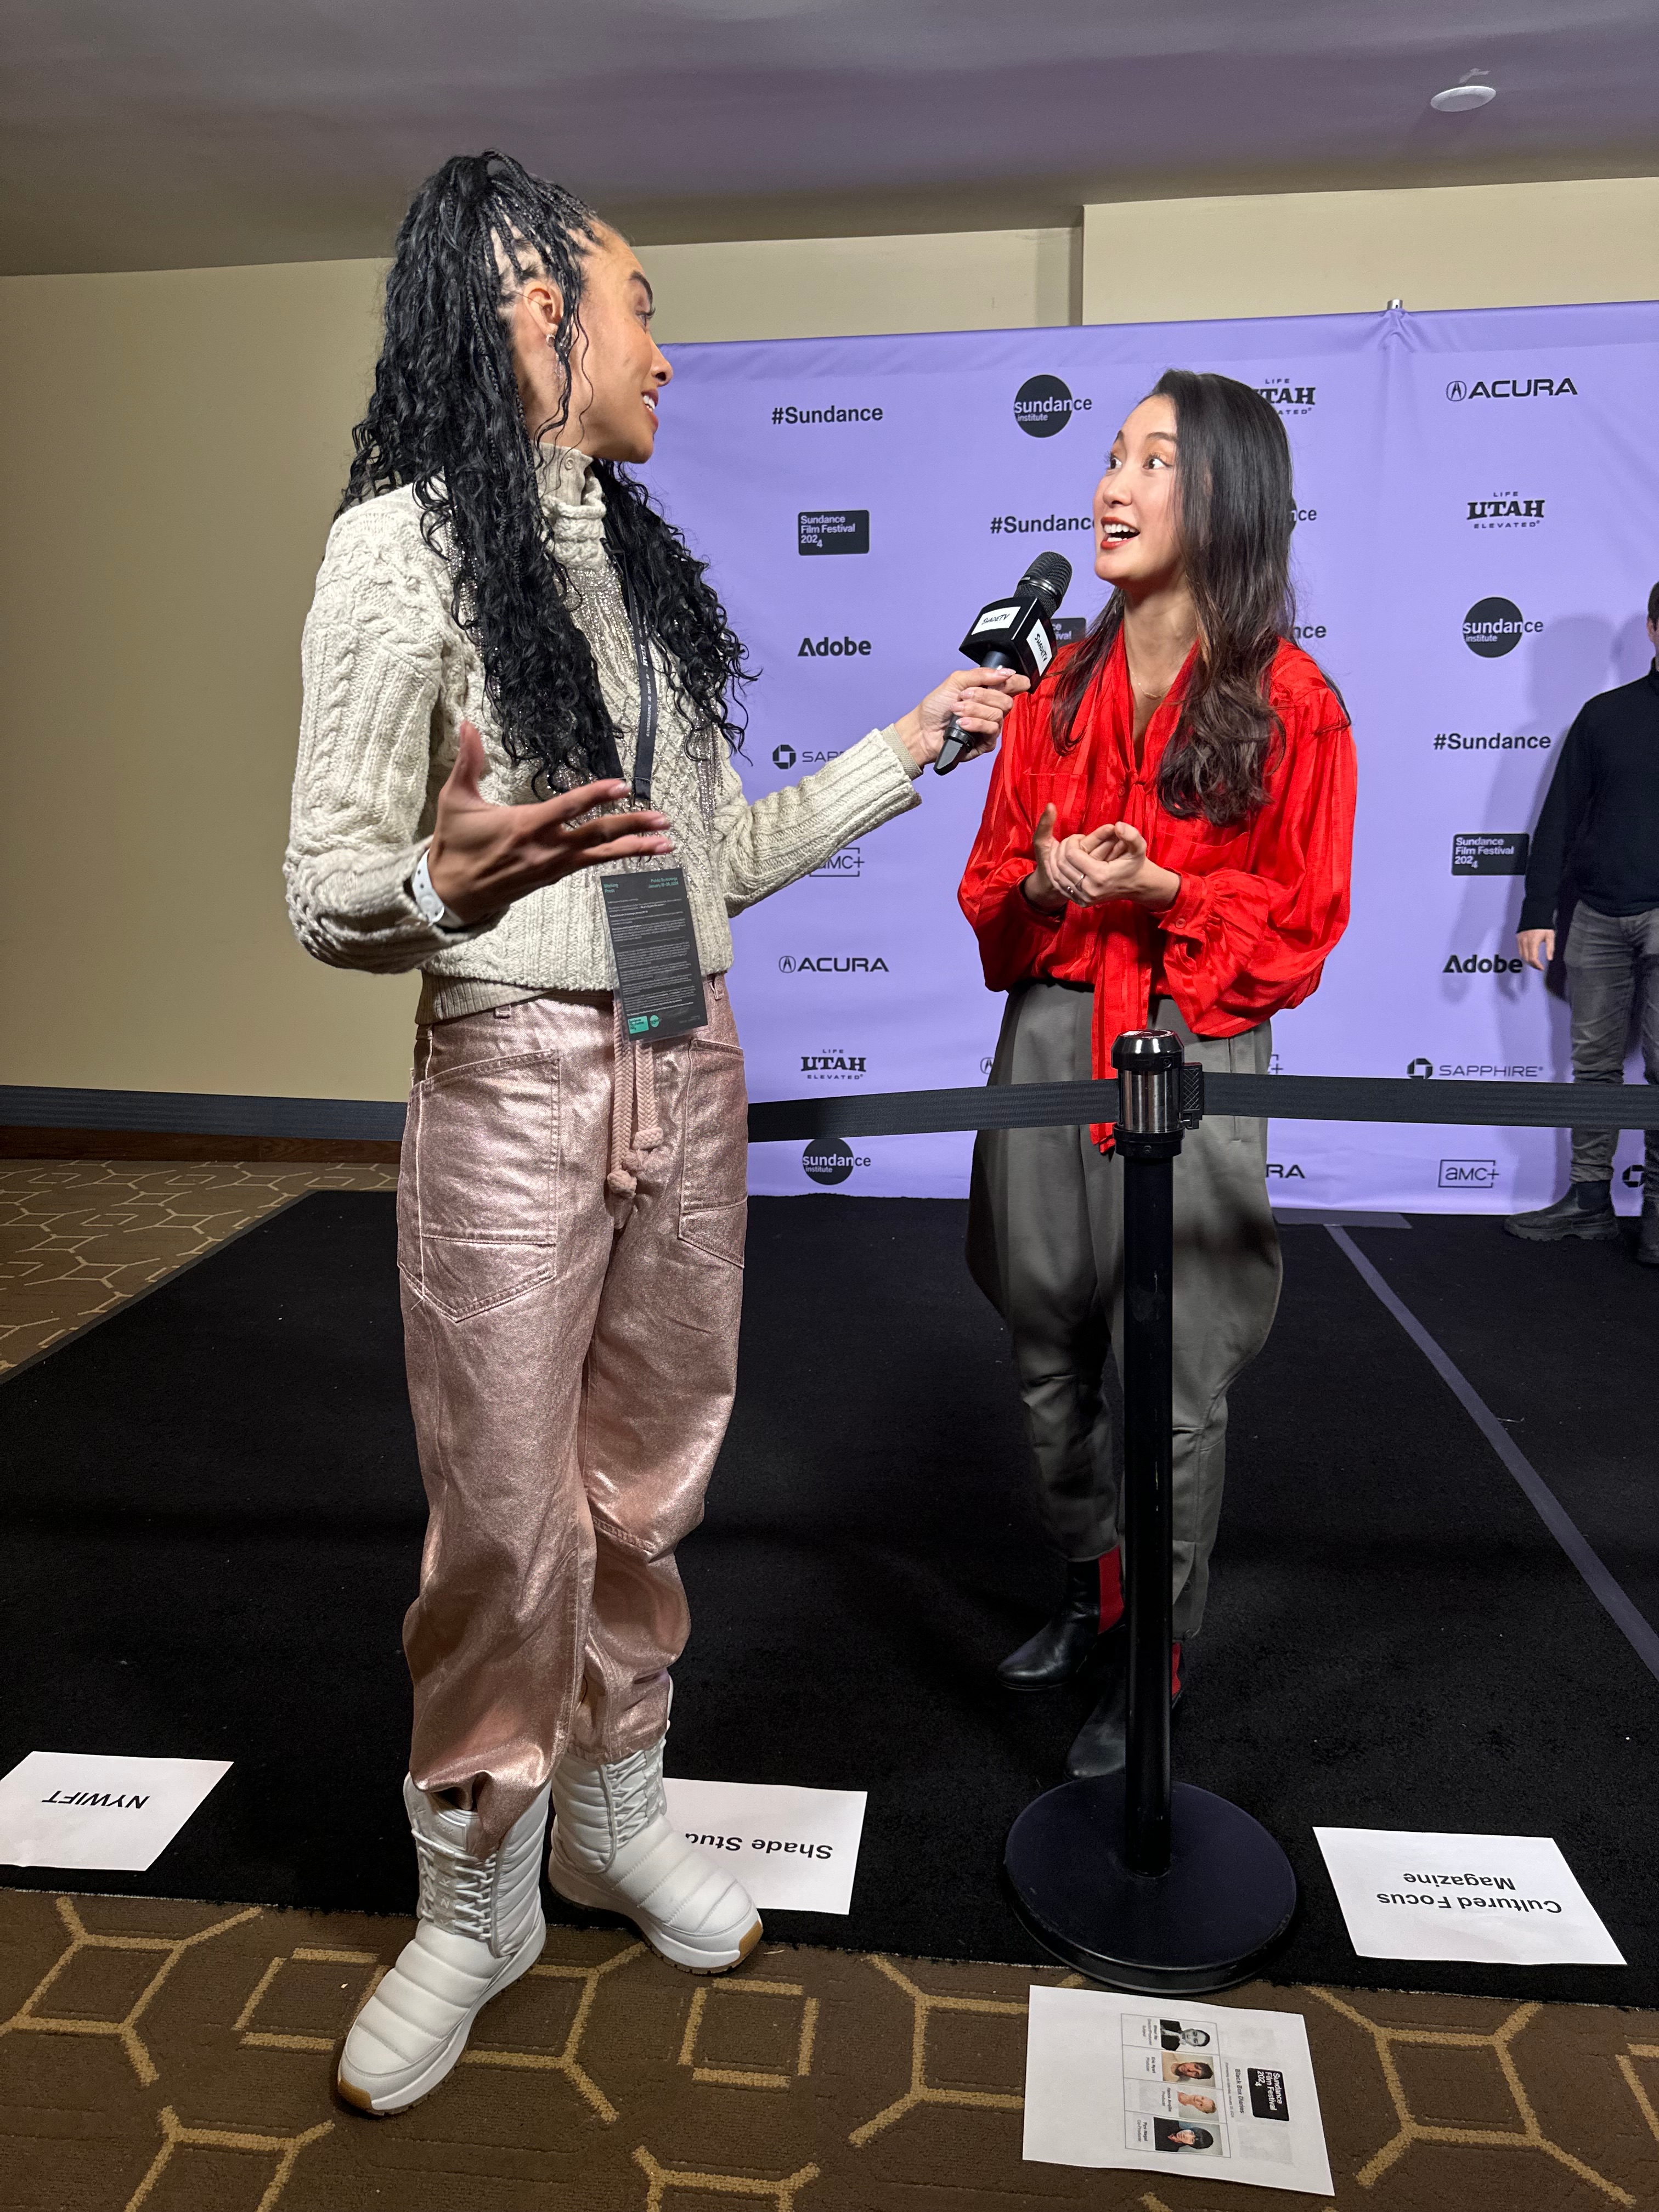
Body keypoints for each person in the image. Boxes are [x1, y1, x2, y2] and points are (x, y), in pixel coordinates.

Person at [285, 151, 1023, 2116]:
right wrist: (441, 884)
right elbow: (324, 886)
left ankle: (608, 1821)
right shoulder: (397, 554)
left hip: (683, 1067)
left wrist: (908, 747)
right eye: (641, 307)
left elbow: (701, 870)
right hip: (510, 1080)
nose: (667, 356)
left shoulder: (633, 561)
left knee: (644, 1482)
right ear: (533, 309)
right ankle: (475, 1894)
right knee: (507, 1516)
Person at [960, 370, 1357, 1779]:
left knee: (1174, 1379)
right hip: (1054, 1041)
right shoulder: (1050, 686)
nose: (1112, 487)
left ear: (1228, 494)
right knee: (1045, 1349)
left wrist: (1171, 886)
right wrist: (1052, 880)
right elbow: (989, 894)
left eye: (1155, 461)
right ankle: (1097, 1586)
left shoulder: (1294, 702)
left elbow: (1301, 927)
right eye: (1112, 456)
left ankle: (1156, 1658)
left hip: (1192, 1045)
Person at [1505, 584, 1659, 1266]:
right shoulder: (1605, 715)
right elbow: (1560, 819)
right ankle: (1589, 1201)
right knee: (1594, 1067)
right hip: (1596, 913)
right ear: (1654, 630)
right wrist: (1539, 912)